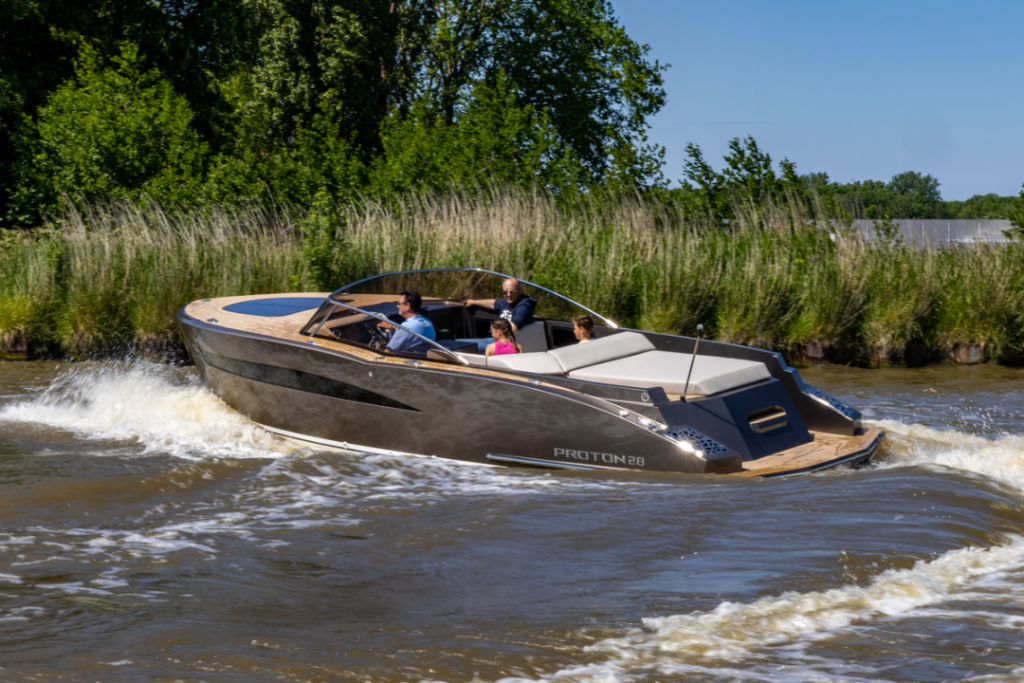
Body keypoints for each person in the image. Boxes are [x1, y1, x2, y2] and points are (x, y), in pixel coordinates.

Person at [463, 277, 537, 353]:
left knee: (464, 348)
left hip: (510, 344)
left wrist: (494, 330)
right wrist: (473, 302)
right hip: (497, 340)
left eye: (512, 291)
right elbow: (492, 303)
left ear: (519, 291)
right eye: (505, 292)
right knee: (459, 343)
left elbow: (514, 327)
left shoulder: (524, 306)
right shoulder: (507, 301)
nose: (508, 294)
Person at [380, 290, 435, 355]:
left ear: (408, 306)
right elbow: (411, 330)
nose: (397, 306)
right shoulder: (427, 323)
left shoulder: (405, 327)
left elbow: (388, 352)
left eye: (399, 303)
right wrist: (393, 326)